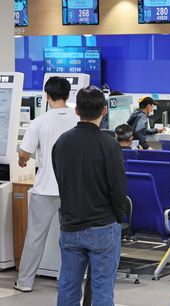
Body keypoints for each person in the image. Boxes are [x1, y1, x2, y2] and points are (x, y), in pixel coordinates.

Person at [52, 86, 127, 305]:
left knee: (68, 285)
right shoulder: (110, 145)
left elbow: (61, 180)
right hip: (102, 226)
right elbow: (118, 188)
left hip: (69, 225)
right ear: (104, 111)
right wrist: (117, 219)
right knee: (102, 290)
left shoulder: (62, 142)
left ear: (77, 111)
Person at [13, 77, 80, 293]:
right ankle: (68, 282)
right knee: (72, 239)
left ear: (47, 95)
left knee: (35, 237)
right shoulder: (79, 118)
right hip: (73, 190)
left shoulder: (39, 121)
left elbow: (24, 152)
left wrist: (23, 158)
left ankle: (24, 282)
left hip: (45, 189)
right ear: (69, 95)